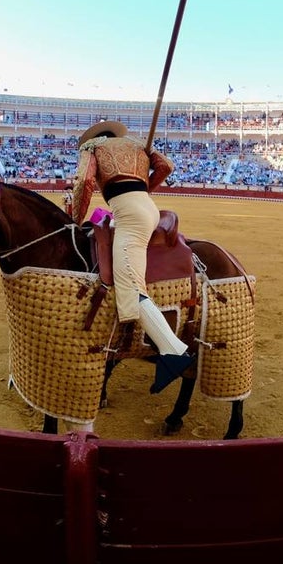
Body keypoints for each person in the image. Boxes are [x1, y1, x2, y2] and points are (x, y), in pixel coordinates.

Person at [70, 120, 192, 393]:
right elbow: (166, 166)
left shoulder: (92, 147)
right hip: (147, 208)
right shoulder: (138, 144)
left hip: (129, 214)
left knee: (131, 288)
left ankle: (173, 351)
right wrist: (145, 187)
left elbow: (85, 182)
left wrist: (75, 220)